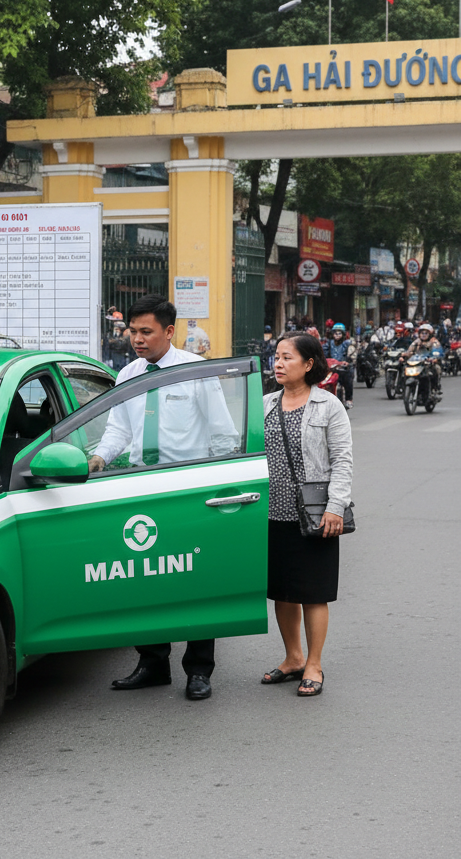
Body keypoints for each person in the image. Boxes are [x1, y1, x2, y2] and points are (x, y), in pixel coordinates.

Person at [89, 294, 239, 701]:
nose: (136, 339)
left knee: (195, 581)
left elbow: (222, 433)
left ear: (169, 332)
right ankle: (152, 662)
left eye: (145, 332)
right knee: (145, 577)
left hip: (185, 489)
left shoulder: (194, 371)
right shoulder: (128, 376)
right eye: (131, 331)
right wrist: (99, 458)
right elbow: (119, 430)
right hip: (140, 487)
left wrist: (219, 483)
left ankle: (198, 670)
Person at [261, 334, 352, 697]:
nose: (278, 364)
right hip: (271, 512)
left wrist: (335, 507)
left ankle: (314, 663)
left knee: (313, 592)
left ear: (309, 363)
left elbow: (343, 460)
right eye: (276, 357)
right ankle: (293, 657)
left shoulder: (328, 406)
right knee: (282, 592)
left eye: (287, 358)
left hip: (315, 515)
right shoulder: (265, 403)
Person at [323, 323, 356, 409]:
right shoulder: (328, 344)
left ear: (343, 334)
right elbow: (322, 354)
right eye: (335, 333)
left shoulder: (347, 344)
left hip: (343, 369)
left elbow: (353, 354)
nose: (337, 335)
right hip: (330, 368)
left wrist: (348, 361)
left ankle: (349, 399)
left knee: (348, 379)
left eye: (339, 333)